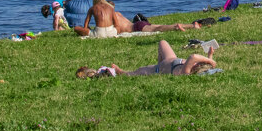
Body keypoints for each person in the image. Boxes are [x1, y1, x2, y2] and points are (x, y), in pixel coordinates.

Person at [76, 40, 217, 77]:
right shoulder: (193, 66)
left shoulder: (186, 71)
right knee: (162, 42)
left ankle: (121, 72)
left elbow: (193, 56)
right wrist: (209, 56)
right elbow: (199, 61)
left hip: (158, 69)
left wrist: (210, 61)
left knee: (139, 71)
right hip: (169, 59)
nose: (197, 64)